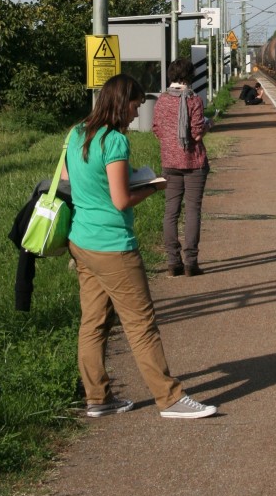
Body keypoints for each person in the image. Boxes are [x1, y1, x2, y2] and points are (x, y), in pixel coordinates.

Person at [64, 73, 216, 420]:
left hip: (82, 240)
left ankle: (97, 398)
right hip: (113, 246)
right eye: (134, 105)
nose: (136, 113)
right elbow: (120, 200)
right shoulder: (114, 140)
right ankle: (170, 399)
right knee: (141, 325)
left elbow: (69, 181)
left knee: (93, 323)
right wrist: (152, 187)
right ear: (121, 104)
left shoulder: (76, 133)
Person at [152, 58, 212, 278]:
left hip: (170, 163)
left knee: (171, 211)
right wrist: (208, 124)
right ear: (190, 76)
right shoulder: (194, 100)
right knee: (193, 210)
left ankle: (172, 262)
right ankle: (191, 263)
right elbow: (196, 134)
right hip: (194, 162)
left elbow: (156, 129)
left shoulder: (161, 101)